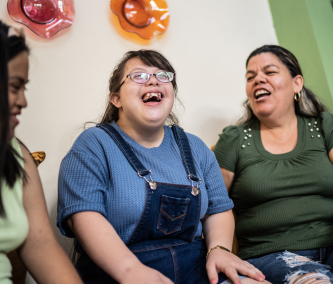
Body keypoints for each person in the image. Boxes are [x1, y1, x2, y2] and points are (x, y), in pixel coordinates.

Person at [57, 50, 268, 284]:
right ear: (116, 98)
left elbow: (218, 209)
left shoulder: (195, 147)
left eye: (163, 75)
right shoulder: (93, 143)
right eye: (139, 76)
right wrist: (130, 271)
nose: (154, 80)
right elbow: (82, 216)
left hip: (195, 268)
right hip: (118, 270)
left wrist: (219, 250)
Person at [214, 45, 333, 284]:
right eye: (251, 77)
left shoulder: (323, 125)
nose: (258, 79)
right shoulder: (234, 140)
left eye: (269, 72)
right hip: (272, 254)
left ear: (296, 84)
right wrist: (219, 251)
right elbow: (215, 204)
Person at [0, 15, 82, 284]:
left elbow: (41, 246)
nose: (23, 101)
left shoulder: (16, 155)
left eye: (23, 87)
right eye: (15, 87)